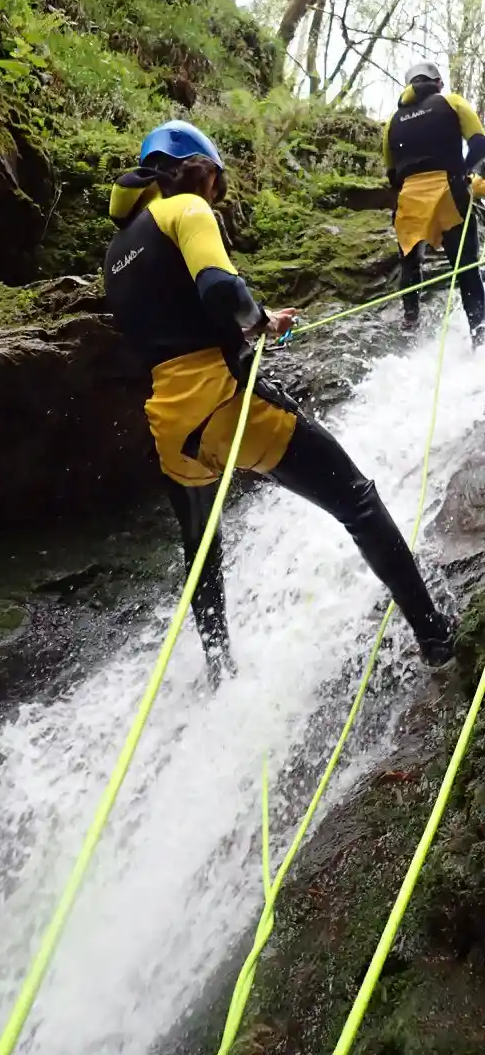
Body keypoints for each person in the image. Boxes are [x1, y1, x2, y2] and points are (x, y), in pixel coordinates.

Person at [104, 119, 455, 688]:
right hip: (223, 402)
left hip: (170, 426)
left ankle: (220, 672)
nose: (216, 193)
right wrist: (257, 319)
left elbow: (175, 325)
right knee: (356, 500)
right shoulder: (187, 210)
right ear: (198, 169)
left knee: (202, 551)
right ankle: (436, 637)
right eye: (216, 181)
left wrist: (256, 323)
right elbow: (219, 291)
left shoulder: (117, 252)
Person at [383, 61, 485, 343]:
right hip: (448, 190)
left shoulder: (392, 121)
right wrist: (465, 172)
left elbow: (391, 173)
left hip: (409, 200)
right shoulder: (451, 102)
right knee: (464, 266)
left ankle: (410, 324)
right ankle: (480, 335)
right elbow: (479, 144)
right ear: (437, 82)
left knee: (410, 264)